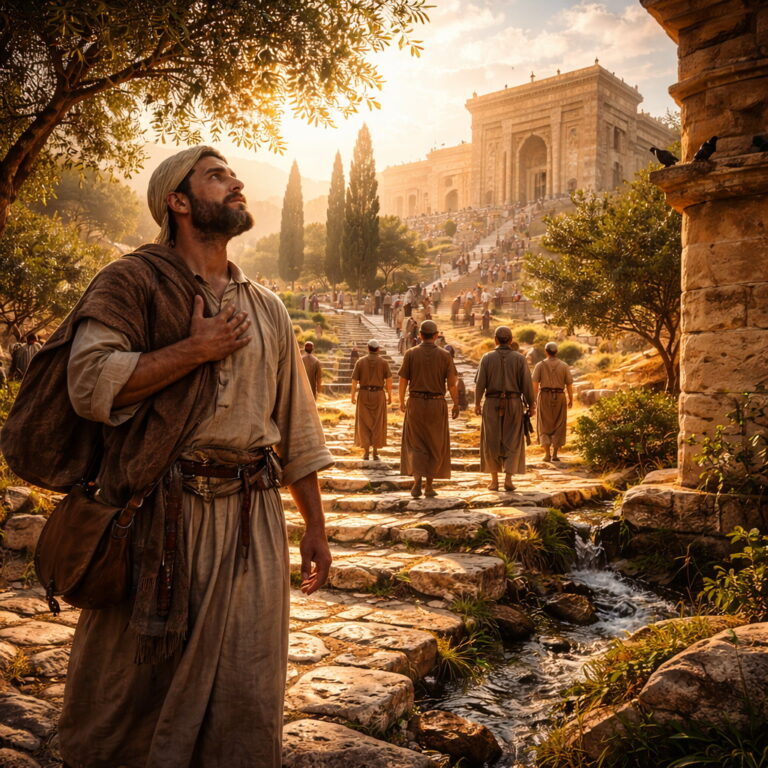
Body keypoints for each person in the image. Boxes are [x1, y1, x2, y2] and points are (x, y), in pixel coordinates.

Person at [1, 146, 334, 768]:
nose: (235, 183)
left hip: (251, 528)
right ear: (177, 202)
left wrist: (314, 526)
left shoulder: (267, 308)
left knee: (245, 689)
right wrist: (192, 350)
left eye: (234, 175)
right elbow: (90, 381)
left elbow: (296, 428)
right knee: (129, 697)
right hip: (155, 517)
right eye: (216, 176)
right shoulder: (131, 282)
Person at [398, 320, 459, 498]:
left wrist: (401, 401)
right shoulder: (445, 356)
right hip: (436, 403)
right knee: (435, 443)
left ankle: (417, 482)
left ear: (419, 335)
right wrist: (456, 403)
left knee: (416, 443)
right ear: (436, 335)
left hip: (415, 403)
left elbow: (403, 381)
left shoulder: (410, 354)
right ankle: (429, 486)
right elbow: (452, 384)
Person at [475, 325, 535, 491]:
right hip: (514, 404)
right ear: (511, 340)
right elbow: (527, 385)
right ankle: (508, 479)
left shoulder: (486, 358)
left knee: (491, 441)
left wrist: (476, 403)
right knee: (513, 440)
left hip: (491, 404)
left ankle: (494, 481)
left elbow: (480, 384)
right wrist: (532, 405)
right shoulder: (520, 359)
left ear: (495, 340)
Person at [351, 339, 392, 462]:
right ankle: (375, 451)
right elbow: (389, 380)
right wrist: (390, 395)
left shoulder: (360, 361)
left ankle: (366, 452)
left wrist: (352, 395)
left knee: (363, 423)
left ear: (368, 348)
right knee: (377, 422)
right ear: (378, 349)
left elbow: (354, 381)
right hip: (379, 394)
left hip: (363, 394)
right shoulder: (384, 362)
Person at [532, 341, 574, 462]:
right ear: (557, 352)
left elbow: (535, 384)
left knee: (544, 424)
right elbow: (569, 384)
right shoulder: (564, 365)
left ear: (546, 352)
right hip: (560, 396)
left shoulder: (540, 365)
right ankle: (555, 454)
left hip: (544, 396)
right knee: (559, 424)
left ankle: (546, 454)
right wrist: (571, 399)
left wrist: (534, 400)